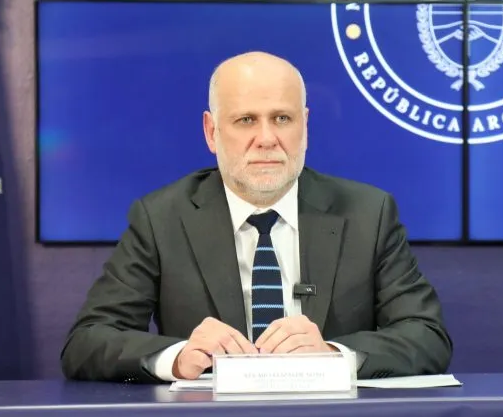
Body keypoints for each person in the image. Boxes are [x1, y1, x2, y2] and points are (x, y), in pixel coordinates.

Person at [61, 51, 452, 382]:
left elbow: (427, 336)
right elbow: (88, 342)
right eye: (246, 120)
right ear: (212, 132)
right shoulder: (162, 218)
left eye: (282, 119)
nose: (266, 139)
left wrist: (334, 353)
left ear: (305, 125)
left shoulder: (369, 213)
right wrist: (179, 357)